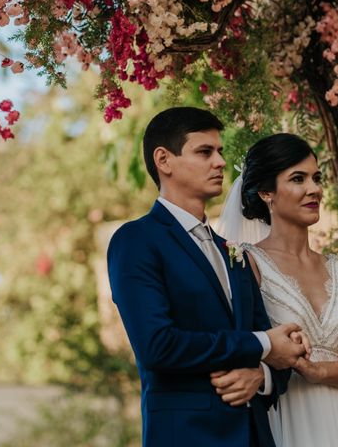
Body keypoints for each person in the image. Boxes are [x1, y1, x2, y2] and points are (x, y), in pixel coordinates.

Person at [107, 107, 308, 447]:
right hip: (188, 436)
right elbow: (159, 346)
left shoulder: (234, 252)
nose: (219, 162)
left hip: (255, 436)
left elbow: (275, 345)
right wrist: (263, 344)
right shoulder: (137, 241)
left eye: (220, 152)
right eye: (205, 152)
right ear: (163, 160)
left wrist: (262, 376)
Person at [218, 133, 338, 446]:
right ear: (266, 191)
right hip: (283, 417)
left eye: (316, 178)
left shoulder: (336, 267)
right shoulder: (248, 263)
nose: (314, 189)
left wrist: (317, 371)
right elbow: (239, 349)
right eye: (298, 178)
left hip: (337, 424)